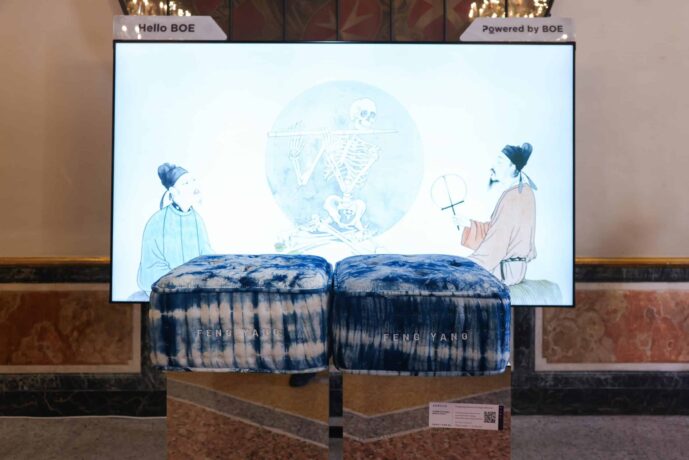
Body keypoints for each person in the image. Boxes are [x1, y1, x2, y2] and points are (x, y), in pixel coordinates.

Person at [455, 143, 537, 286]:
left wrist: (471, 263)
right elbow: (498, 229)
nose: (493, 166)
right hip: (513, 269)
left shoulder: (514, 196)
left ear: (512, 167)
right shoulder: (523, 191)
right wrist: (469, 224)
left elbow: (498, 242)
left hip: (505, 271)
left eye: (499, 162)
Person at [137, 163, 213, 295]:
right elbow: (151, 268)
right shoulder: (157, 221)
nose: (193, 186)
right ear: (173, 191)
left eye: (193, 180)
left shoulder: (197, 220)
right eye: (186, 183)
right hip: (164, 291)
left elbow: (206, 254)